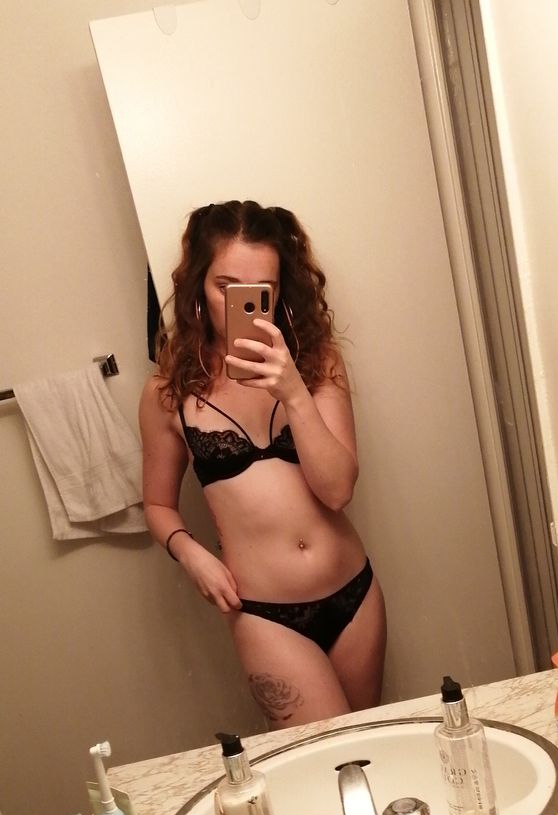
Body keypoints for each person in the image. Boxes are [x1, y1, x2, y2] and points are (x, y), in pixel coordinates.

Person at [140, 200, 387, 729]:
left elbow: (338, 490)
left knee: (369, 750)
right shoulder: (168, 390)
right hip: (264, 614)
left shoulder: (316, 362)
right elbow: (157, 504)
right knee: (323, 759)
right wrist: (192, 555)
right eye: (226, 286)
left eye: (261, 291)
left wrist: (293, 392)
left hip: (354, 593)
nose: (244, 305)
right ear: (198, 287)